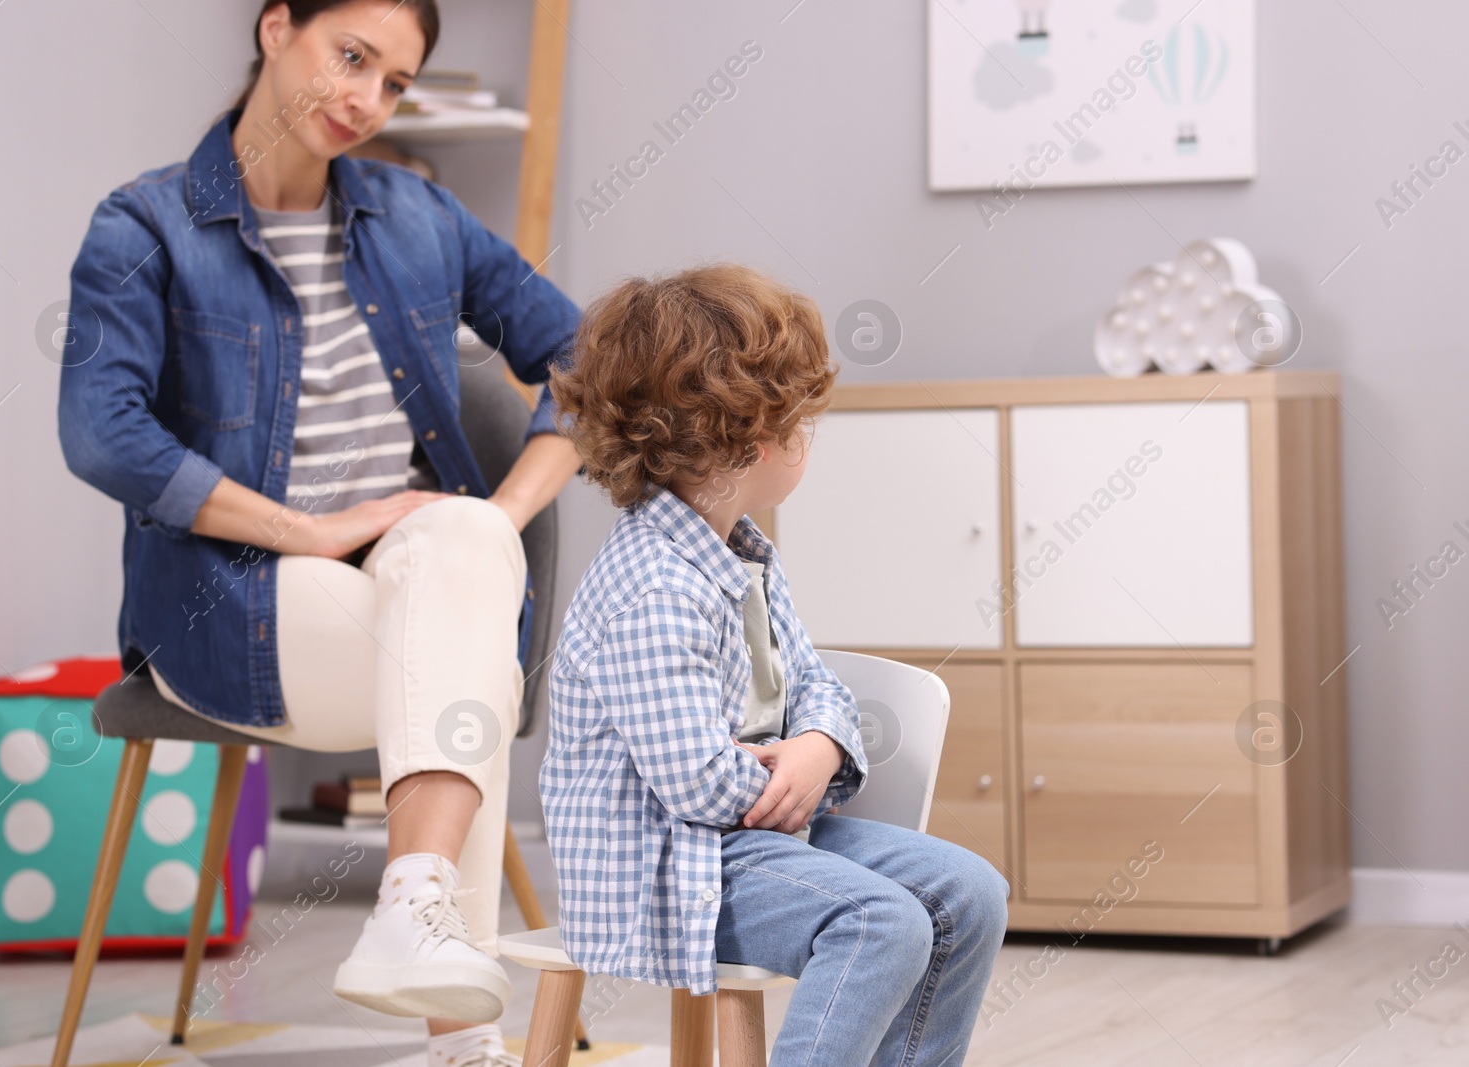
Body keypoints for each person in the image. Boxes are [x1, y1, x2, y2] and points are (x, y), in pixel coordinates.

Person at [58, 2, 579, 1063]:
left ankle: (417, 910)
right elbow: (100, 431)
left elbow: (591, 359)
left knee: (461, 588)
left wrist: (498, 516)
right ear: (274, 26)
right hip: (231, 604)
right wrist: (311, 528)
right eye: (350, 57)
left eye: (392, 82)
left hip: (422, 585)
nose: (365, 101)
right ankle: (457, 1032)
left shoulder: (416, 213)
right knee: (463, 659)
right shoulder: (145, 224)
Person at [540, 264, 1010, 1066]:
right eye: (803, 424)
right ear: (758, 444)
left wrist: (818, 745)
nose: (809, 438)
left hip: (764, 838)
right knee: (881, 922)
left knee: (970, 894)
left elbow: (815, 683)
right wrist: (792, 776)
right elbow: (697, 784)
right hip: (674, 867)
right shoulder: (651, 590)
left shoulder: (745, 554)